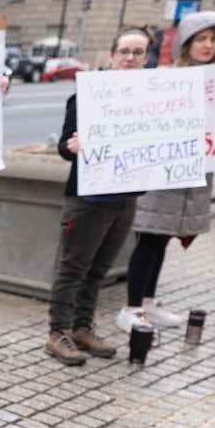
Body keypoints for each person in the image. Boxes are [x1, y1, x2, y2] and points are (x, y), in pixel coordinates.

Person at [116, 11, 215, 333]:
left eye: (212, 40)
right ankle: (132, 307)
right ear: (186, 43)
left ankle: (148, 302)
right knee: (151, 237)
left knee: (162, 238)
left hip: (193, 174)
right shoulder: (168, 77)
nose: (207, 45)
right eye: (201, 39)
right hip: (164, 171)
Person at [44, 28, 149, 364]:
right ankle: (58, 331)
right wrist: (71, 146)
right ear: (112, 55)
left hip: (125, 197)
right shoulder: (88, 94)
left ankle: (81, 327)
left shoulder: (151, 98)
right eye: (125, 51)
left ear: (146, 58)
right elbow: (63, 145)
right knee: (73, 268)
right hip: (88, 200)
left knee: (99, 269)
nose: (131, 58)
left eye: (138, 52)